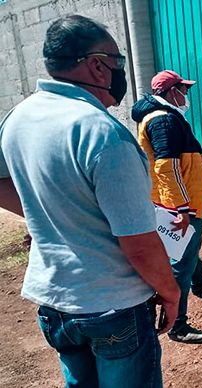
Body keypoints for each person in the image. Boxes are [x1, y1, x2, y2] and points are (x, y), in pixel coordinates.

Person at [0, 15, 179, 387]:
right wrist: (172, 293)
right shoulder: (103, 134)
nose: (121, 72)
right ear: (98, 66)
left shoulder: (18, 118)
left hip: (54, 303)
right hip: (112, 304)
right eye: (118, 62)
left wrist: (48, 216)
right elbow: (140, 245)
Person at [131, 70, 202, 343]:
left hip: (183, 199)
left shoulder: (163, 117)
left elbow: (176, 156)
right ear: (170, 91)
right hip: (181, 205)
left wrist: (199, 158)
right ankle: (178, 326)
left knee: (189, 249)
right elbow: (165, 166)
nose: (186, 95)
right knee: (182, 261)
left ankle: (201, 284)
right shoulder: (163, 120)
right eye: (183, 89)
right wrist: (181, 209)